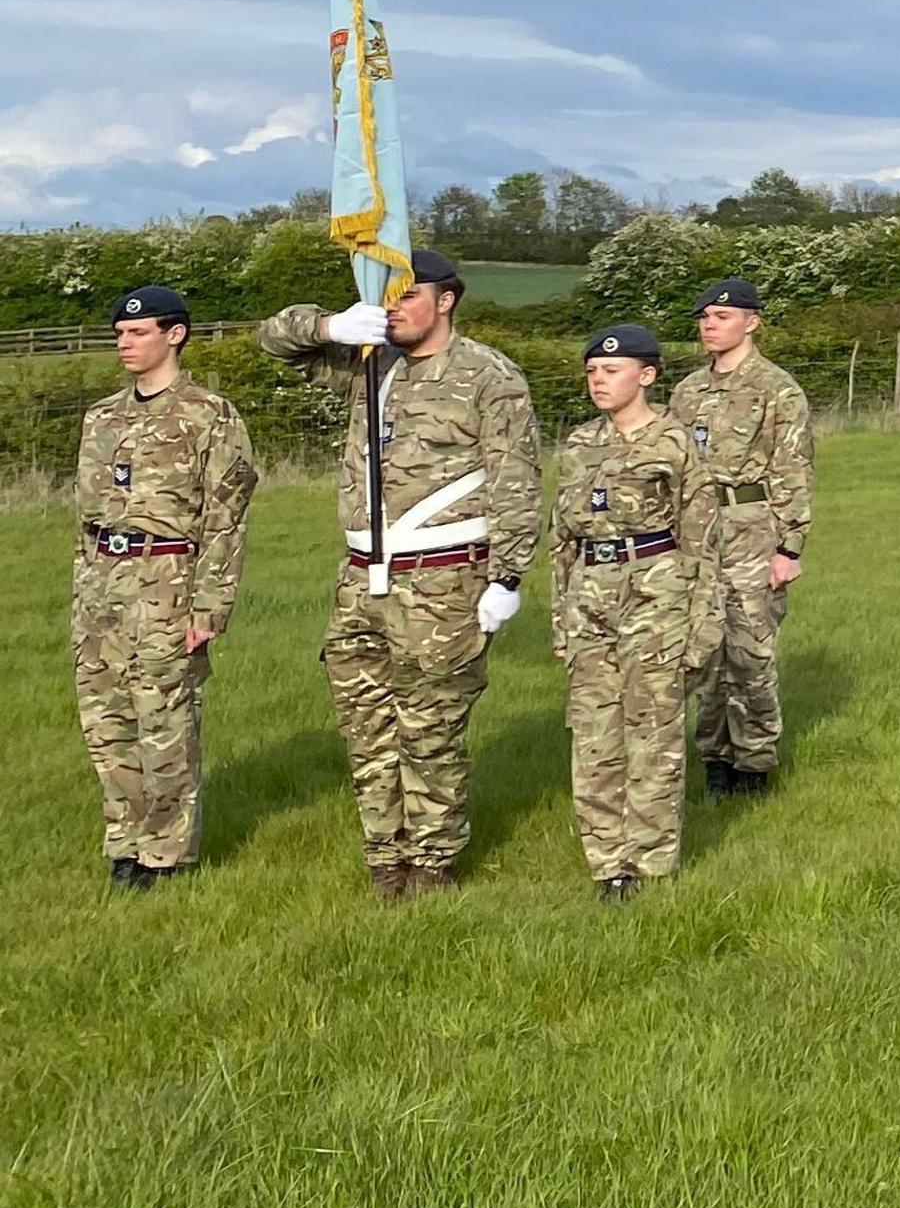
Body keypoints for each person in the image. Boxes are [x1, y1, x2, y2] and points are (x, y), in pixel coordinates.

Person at [260, 248, 540, 898]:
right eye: (386, 293)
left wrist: (508, 576)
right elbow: (274, 340)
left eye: (409, 294)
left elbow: (516, 482)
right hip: (361, 578)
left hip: (444, 579)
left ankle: (434, 860)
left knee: (431, 726)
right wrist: (332, 327)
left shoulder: (486, 376)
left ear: (447, 300)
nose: (394, 306)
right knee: (366, 724)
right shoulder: (368, 365)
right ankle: (386, 857)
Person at [72, 284, 259, 889]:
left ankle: (165, 852)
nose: (124, 343)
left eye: (137, 333)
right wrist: (84, 593)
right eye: (120, 334)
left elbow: (225, 518)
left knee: (166, 721)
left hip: (168, 581)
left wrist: (210, 606)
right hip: (103, 585)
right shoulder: (102, 417)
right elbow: (86, 518)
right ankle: (124, 841)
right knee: (107, 720)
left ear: (174, 334)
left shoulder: (209, 415)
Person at [552, 324, 705, 899]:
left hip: (656, 592)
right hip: (591, 596)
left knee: (652, 729)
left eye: (611, 371)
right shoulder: (579, 444)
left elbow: (701, 537)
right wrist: (560, 621)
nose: (598, 380)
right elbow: (560, 539)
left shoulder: (675, 443)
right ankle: (607, 862)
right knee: (593, 733)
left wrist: (700, 623)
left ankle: (649, 861)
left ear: (646, 375)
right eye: (591, 371)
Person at [668, 277, 815, 796]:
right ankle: (714, 759)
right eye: (704, 318)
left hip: (753, 528)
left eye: (722, 317)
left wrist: (789, 547)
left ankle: (754, 764)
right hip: (696, 533)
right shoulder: (687, 391)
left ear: (751, 322)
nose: (710, 326)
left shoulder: (777, 389)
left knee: (750, 650)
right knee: (703, 651)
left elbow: (792, 468)